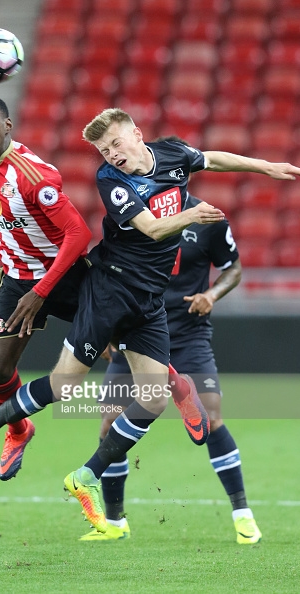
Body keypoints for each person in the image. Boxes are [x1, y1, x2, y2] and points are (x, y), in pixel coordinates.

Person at [0, 109, 300, 537]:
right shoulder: (111, 181)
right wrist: (194, 215)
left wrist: (263, 166)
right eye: (103, 150)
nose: (111, 155)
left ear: (137, 135)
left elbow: (210, 157)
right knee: (66, 385)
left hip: (149, 299)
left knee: (152, 399)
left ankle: (86, 476)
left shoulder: (171, 153)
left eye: (116, 144)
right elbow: (153, 229)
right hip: (111, 290)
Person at [80, 136, 261, 545]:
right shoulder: (133, 218)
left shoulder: (207, 217)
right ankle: (114, 522)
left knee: (210, 418)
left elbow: (233, 268)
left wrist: (212, 295)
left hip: (187, 334)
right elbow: (110, 274)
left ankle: (242, 513)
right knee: (109, 422)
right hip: (138, 335)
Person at [0, 95, 92, 485]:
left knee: (121, 343)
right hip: (15, 278)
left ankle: (178, 388)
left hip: (62, 276)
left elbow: (79, 233)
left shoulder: (33, 176)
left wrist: (42, 291)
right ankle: (18, 430)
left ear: (8, 125)